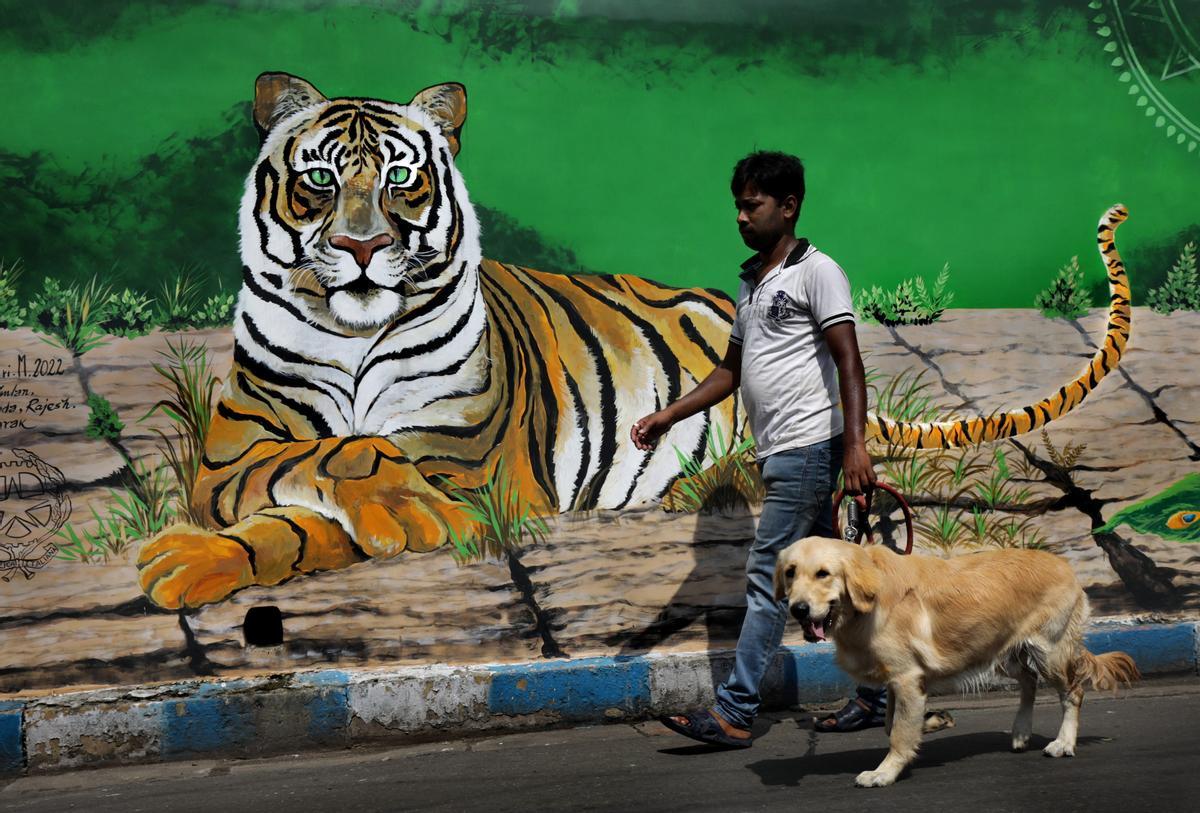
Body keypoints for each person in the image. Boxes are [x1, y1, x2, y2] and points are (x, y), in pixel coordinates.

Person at [630, 151, 880, 747]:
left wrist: (856, 445)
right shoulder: (752, 280)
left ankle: (735, 711)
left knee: (771, 577)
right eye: (738, 206)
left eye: (753, 205)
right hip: (783, 453)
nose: (741, 217)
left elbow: (850, 361)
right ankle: (878, 694)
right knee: (840, 585)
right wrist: (669, 413)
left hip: (809, 448)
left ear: (788, 206)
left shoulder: (818, 272)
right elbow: (732, 370)